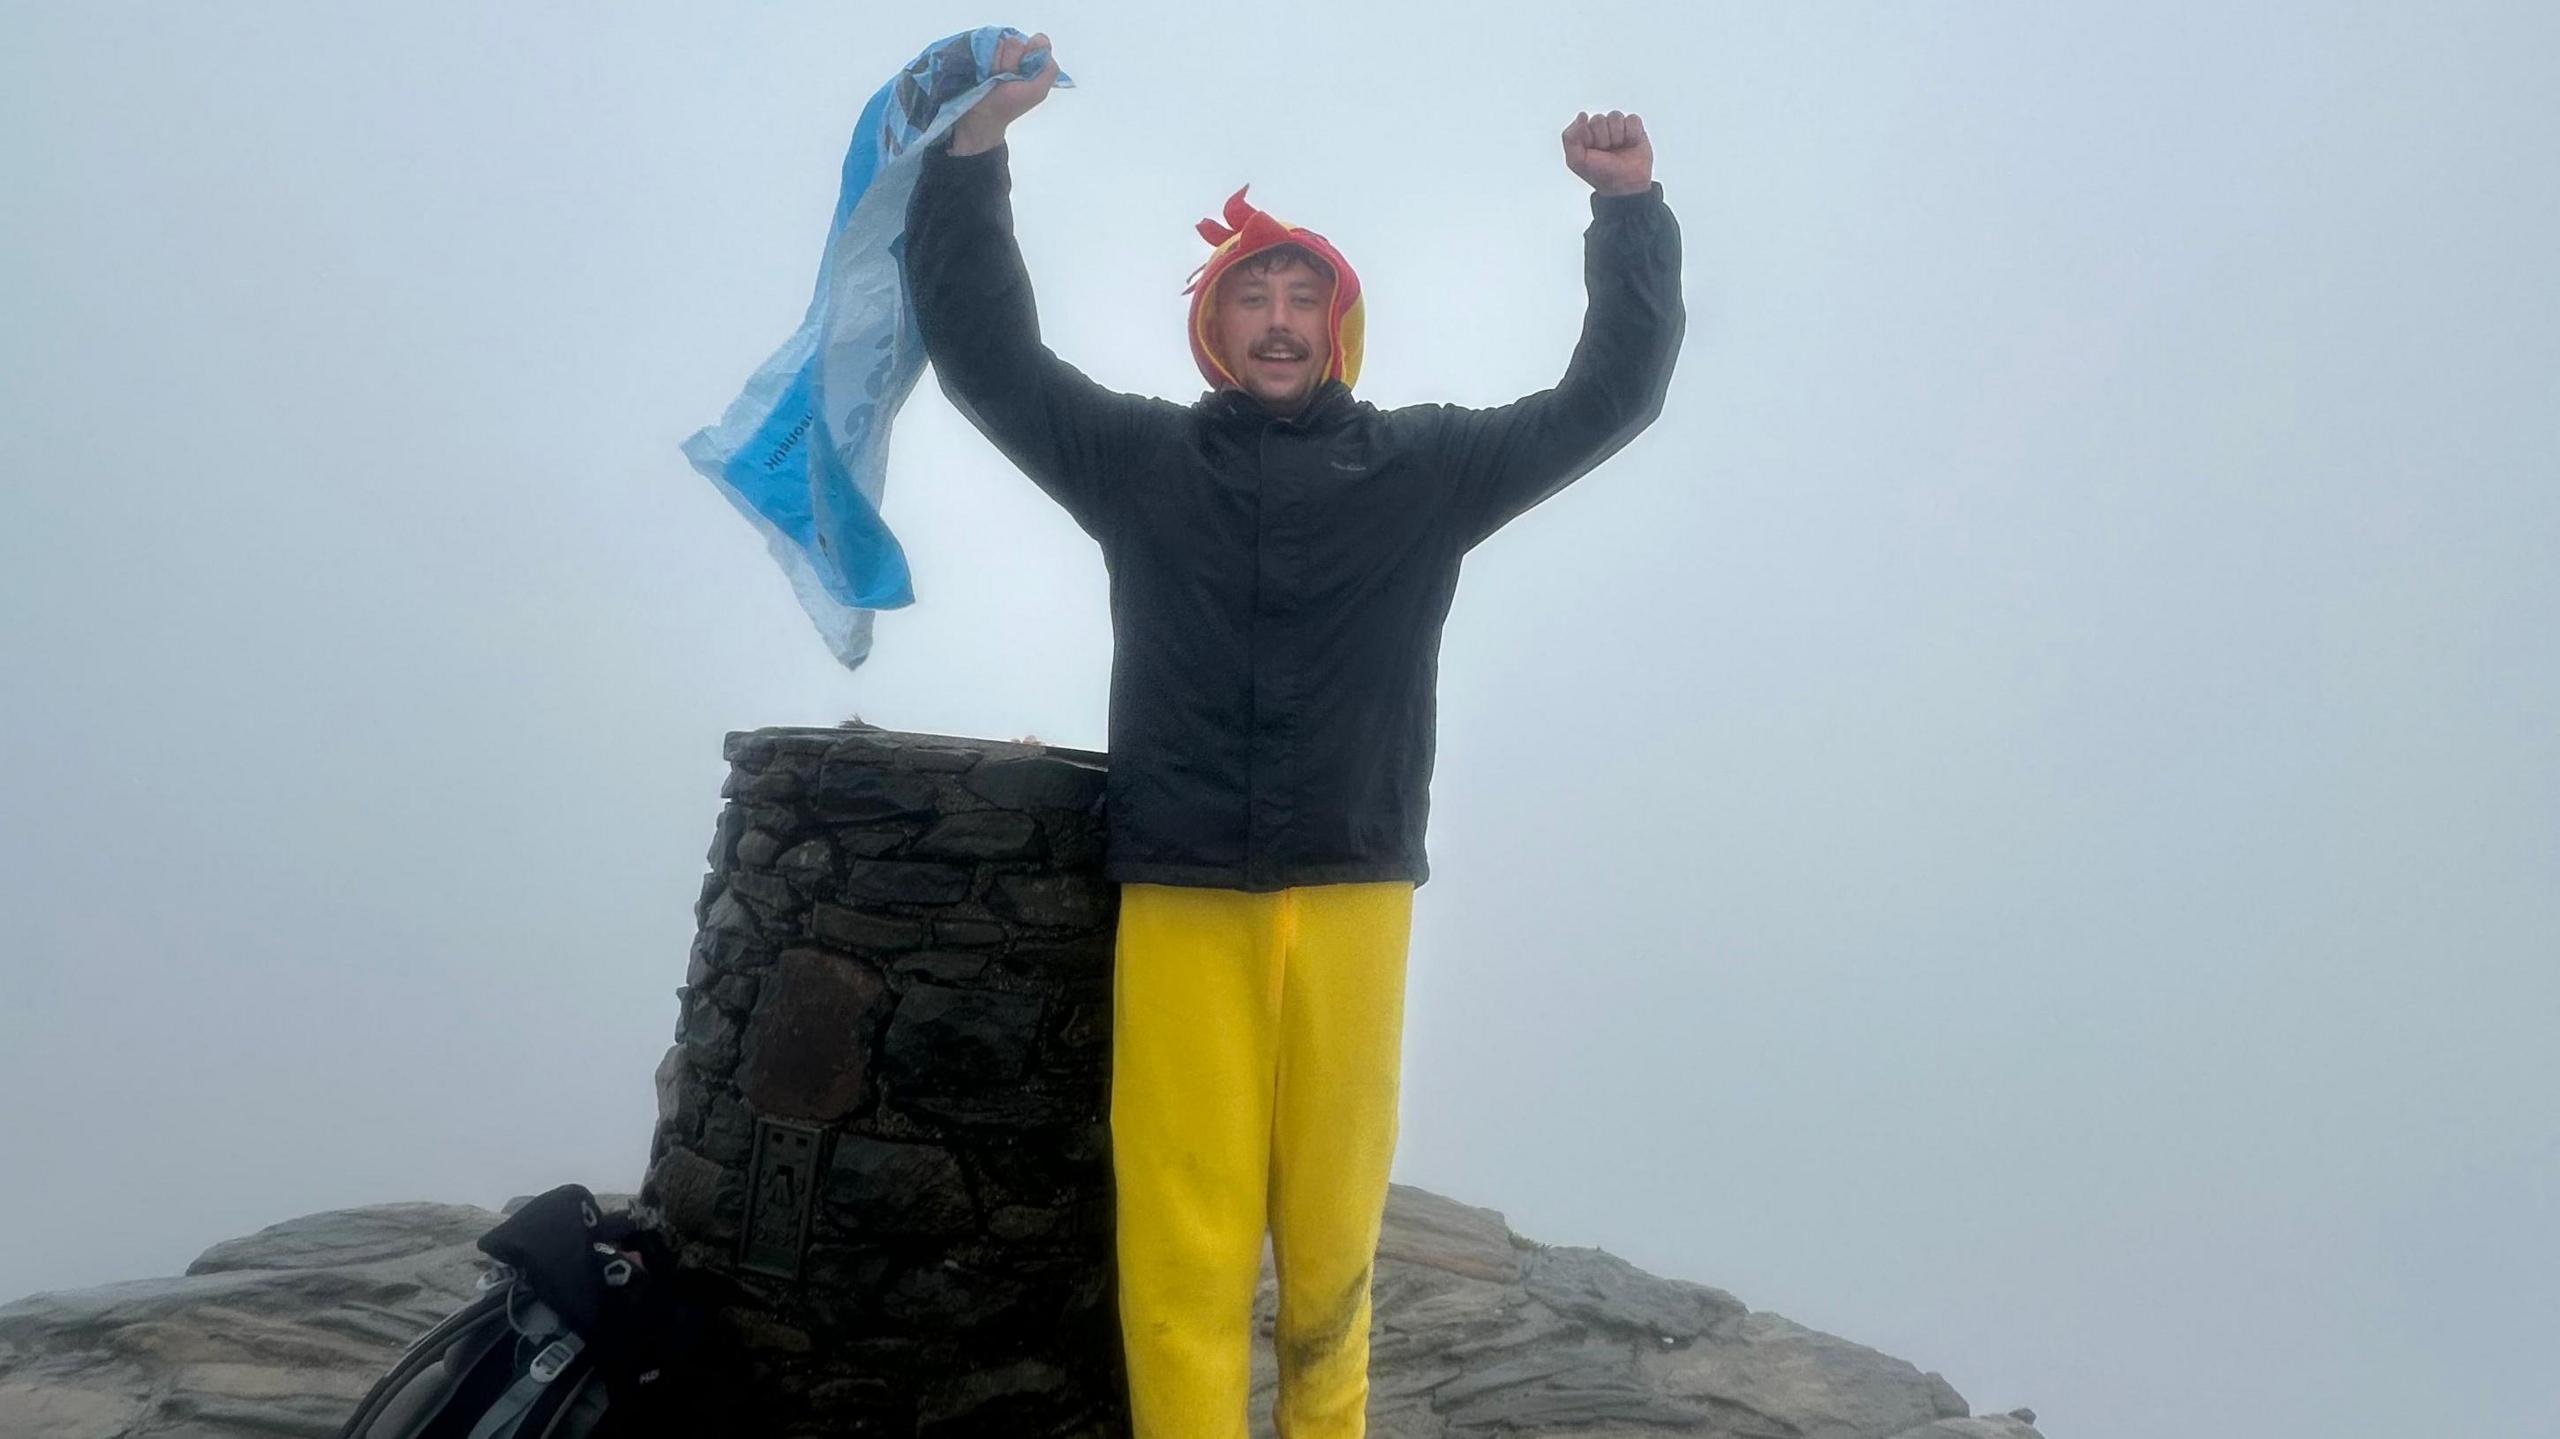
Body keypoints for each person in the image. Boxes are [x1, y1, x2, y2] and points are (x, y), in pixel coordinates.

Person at [903, 30, 1684, 1439]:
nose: (1276, 318)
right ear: (1214, 328)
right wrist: (978, 152)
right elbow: (985, 356)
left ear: (1338, 328)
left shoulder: (1428, 469)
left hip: (1354, 890)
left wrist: (1626, 210)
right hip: (1183, 890)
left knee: (1330, 1244)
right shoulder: (1137, 461)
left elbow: (1609, 400)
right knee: (1184, 1246)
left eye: (1299, 297)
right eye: (1249, 293)